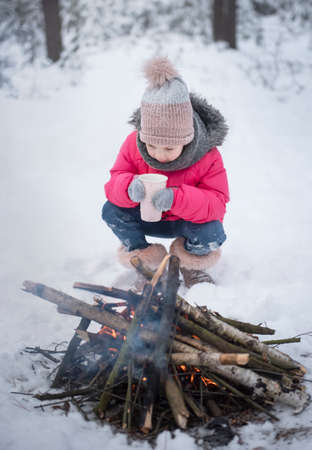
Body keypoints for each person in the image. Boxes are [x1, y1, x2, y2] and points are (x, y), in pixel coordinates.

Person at [102, 56, 230, 285]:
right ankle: (147, 264)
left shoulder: (208, 155)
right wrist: (129, 188)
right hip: (146, 216)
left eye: (169, 147)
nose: (159, 154)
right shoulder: (132, 144)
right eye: (151, 145)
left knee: (211, 231)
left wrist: (177, 199)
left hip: (186, 221)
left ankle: (191, 265)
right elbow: (114, 183)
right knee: (111, 211)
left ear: (188, 138)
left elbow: (217, 202)